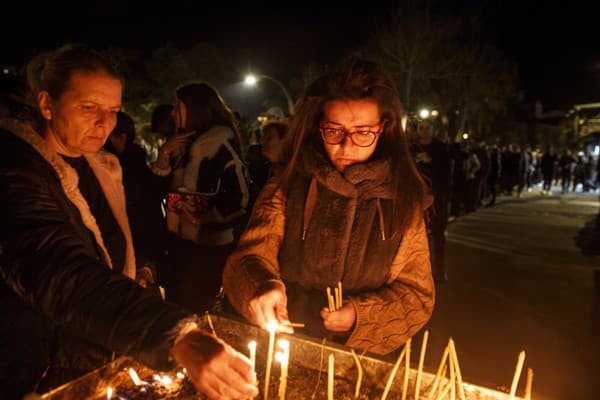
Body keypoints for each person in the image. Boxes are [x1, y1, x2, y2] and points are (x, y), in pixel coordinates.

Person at [0, 44, 257, 400]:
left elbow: (125, 235)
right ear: (46, 104)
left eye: (113, 110)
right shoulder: (14, 170)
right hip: (31, 369)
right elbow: (54, 266)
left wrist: (144, 266)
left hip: (90, 360)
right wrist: (175, 335)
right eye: (88, 107)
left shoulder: (101, 167)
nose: (105, 123)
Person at [223, 56, 435, 356]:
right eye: (334, 131)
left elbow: (417, 294)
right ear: (318, 126)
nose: (346, 146)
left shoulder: (402, 202)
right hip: (285, 348)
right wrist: (262, 285)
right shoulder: (287, 186)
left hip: (360, 361)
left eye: (363, 133)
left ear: (383, 129)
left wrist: (362, 316)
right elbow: (251, 255)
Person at [150, 81, 250, 313]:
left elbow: (241, 198)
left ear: (195, 110)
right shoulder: (182, 144)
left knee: (196, 311)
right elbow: (157, 191)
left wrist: (203, 217)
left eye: (178, 107)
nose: (173, 113)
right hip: (178, 246)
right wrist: (164, 156)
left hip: (208, 252)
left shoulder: (219, 146)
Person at [411, 118, 451, 284]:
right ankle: (416, 273)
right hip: (415, 199)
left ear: (433, 130)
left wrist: (431, 161)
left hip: (435, 199)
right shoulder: (411, 148)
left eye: (428, 128)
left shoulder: (441, 149)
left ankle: (439, 271)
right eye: (422, 127)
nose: (424, 130)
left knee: (437, 235)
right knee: (414, 237)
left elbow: (446, 173)